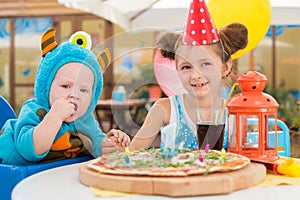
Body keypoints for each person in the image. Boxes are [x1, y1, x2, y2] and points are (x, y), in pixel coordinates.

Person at [0, 28, 130, 165]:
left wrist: (112, 144)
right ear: (47, 88)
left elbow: (96, 146)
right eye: (66, 86)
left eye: (83, 90)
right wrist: (55, 116)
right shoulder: (34, 111)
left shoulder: (85, 121)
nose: (74, 95)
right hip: (10, 172)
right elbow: (30, 151)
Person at [130, 1, 248, 151]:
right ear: (177, 70)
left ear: (225, 67)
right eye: (186, 67)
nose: (195, 75)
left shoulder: (234, 114)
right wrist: (118, 144)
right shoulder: (165, 109)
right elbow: (131, 155)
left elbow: (242, 163)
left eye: (206, 64)